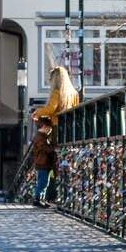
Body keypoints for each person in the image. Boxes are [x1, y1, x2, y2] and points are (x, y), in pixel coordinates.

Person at [29, 65, 80, 203]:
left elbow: (51, 108)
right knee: (68, 159)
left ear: (55, 79)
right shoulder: (74, 94)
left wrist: (37, 112)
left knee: (55, 158)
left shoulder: (58, 92)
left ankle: (53, 194)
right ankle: (67, 196)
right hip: (71, 130)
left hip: (57, 128)